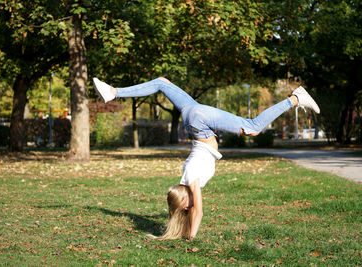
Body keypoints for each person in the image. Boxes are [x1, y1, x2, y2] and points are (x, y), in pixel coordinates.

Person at [93, 77, 320, 240]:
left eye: (184, 207)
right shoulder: (187, 178)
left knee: (252, 128)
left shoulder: (191, 180)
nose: (189, 208)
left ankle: (295, 99)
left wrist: (191, 236)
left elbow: (199, 212)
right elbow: (192, 208)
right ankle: (113, 91)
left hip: (198, 122)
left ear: (183, 199)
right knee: (162, 82)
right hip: (193, 116)